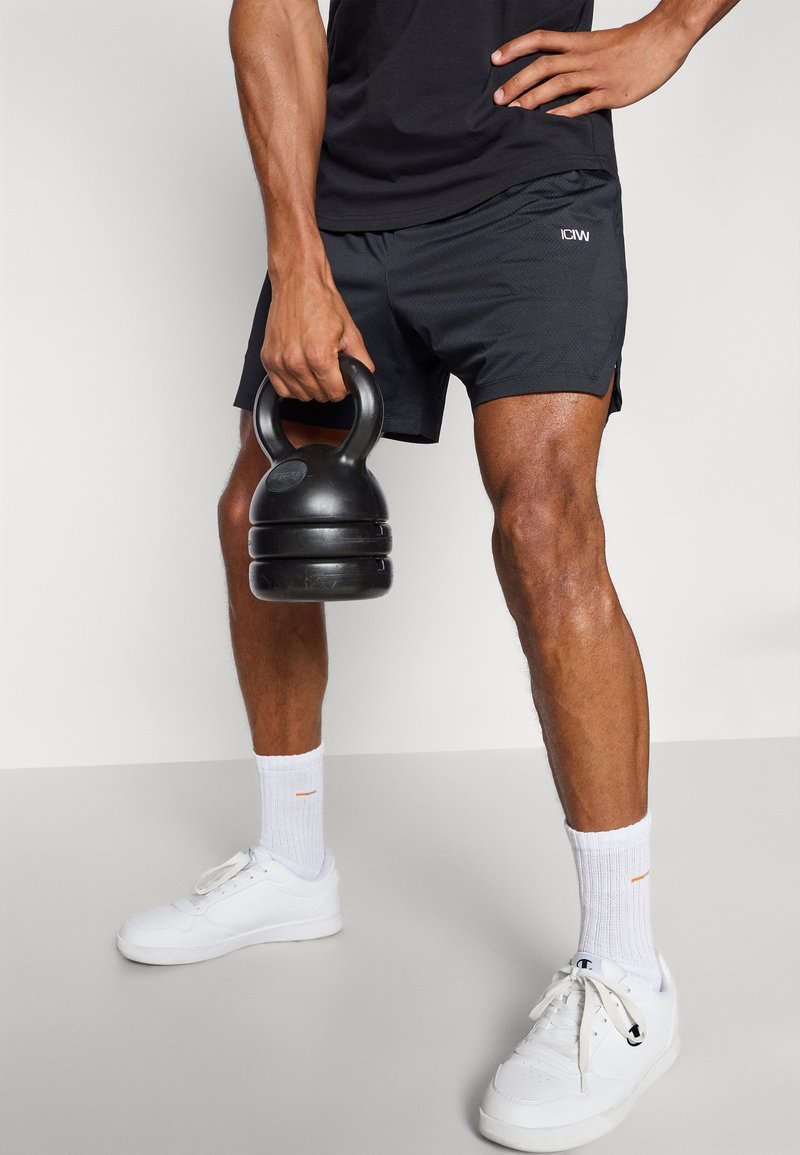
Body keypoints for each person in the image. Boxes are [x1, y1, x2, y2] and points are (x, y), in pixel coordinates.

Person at [117, 1, 741, 1149]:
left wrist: (672, 26)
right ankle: (292, 863)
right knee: (260, 503)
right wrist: (294, 256)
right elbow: (271, 9)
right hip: (345, 198)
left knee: (544, 521)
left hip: (529, 186)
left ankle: (626, 973)